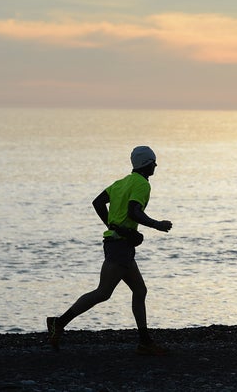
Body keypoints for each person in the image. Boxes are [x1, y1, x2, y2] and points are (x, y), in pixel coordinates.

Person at [46, 146, 173, 355]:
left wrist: (112, 226)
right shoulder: (142, 184)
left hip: (119, 243)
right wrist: (156, 225)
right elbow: (134, 211)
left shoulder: (122, 182)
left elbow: (98, 202)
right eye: (154, 162)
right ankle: (58, 323)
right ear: (147, 163)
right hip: (120, 246)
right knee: (103, 292)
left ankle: (145, 342)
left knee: (140, 290)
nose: (156, 166)